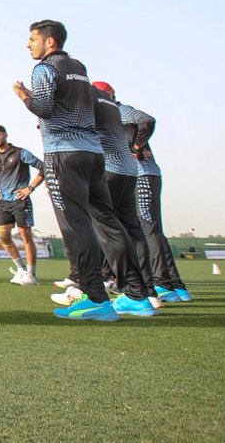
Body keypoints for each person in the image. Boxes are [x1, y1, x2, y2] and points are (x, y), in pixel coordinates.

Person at [13, 19, 120, 321]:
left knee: (76, 226)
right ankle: (133, 290)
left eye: (32, 39)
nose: (28, 44)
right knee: (105, 222)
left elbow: (44, 108)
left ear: (49, 41)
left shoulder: (44, 68)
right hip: (93, 153)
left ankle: (95, 298)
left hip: (64, 152)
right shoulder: (79, 67)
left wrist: (24, 97)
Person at [58, 81, 155, 316]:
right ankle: (144, 290)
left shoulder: (104, 107)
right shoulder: (112, 109)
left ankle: (112, 284)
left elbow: (147, 120)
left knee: (104, 227)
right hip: (129, 170)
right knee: (130, 229)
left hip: (109, 170)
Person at [118, 96, 192, 302]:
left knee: (147, 229)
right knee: (153, 230)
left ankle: (161, 283)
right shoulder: (110, 114)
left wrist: (136, 147)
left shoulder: (121, 110)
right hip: (144, 174)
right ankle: (174, 285)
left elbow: (147, 120)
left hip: (141, 173)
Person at [0, 125, 45, 285]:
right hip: (2, 203)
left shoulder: (20, 152)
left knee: (26, 237)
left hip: (20, 201)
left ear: (5, 135)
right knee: (3, 236)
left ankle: (31, 275)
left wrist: (30, 188)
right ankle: (21, 269)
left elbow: (43, 167)